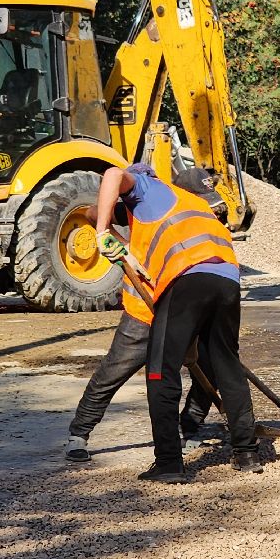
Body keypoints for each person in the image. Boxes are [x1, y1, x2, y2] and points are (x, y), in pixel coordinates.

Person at [65, 163, 260, 483]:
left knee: (160, 372)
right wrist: (105, 227)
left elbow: (113, 174)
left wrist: (101, 232)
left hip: (179, 291)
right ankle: (246, 452)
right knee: (228, 368)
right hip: (222, 285)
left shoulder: (147, 190)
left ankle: (170, 461)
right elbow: (92, 211)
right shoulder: (193, 206)